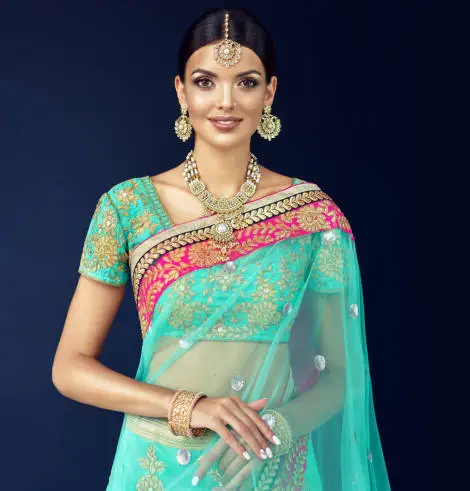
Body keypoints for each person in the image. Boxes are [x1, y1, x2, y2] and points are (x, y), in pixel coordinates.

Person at [52, 7, 392, 490]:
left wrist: (278, 429)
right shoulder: (126, 208)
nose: (226, 101)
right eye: (206, 82)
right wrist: (193, 408)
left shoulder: (313, 217)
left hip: (269, 463)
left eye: (247, 82)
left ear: (270, 93)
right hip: (157, 464)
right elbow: (70, 368)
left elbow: (340, 377)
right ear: (181, 91)